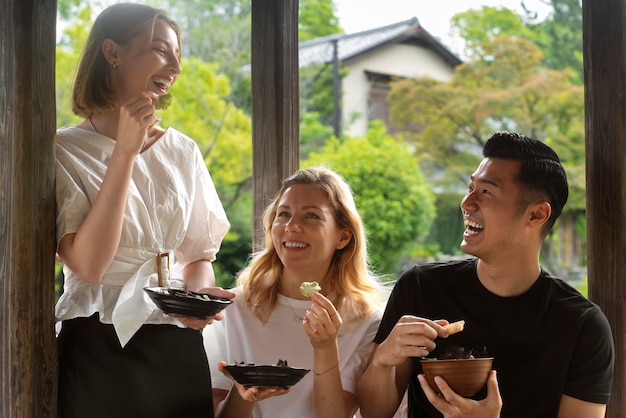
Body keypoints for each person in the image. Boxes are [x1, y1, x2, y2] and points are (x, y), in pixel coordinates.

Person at [356, 131, 615, 418]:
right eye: (470, 188)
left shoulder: (581, 326)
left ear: (536, 215)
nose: (467, 204)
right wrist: (382, 360)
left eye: (487, 192)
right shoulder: (421, 287)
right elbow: (372, 413)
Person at [54, 4, 233, 418]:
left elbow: (197, 255)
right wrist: (125, 153)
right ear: (112, 52)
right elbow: (90, 266)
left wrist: (198, 294)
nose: (175, 67)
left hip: (176, 343)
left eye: (177, 56)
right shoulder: (61, 150)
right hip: (99, 343)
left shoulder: (183, 151)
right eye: (159, 49)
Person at [203, 167, 385, 418]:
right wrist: (244, 392)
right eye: (283, 214)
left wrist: (325, 348)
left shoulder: (365, 321)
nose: (291, 226)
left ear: (343, 237)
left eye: (311, 216)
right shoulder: (231, 309)